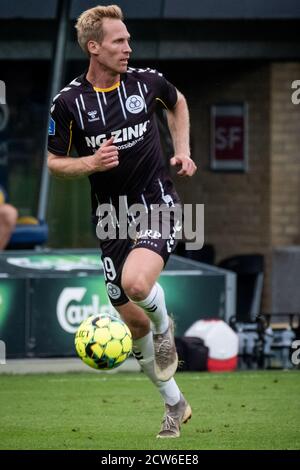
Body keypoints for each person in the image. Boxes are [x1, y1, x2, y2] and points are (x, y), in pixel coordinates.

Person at [47, 4, 197, 438]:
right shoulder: (68, 102)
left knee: (137, 285)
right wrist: (91, 162)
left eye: (128, 40)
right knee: (133, 325)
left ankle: (166, 328)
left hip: (157, 203)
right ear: (94, 47)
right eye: (119, 41)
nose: (128, 48)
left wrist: (182, 150)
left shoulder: (145, 82)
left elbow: (178, 101)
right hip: (111, 219)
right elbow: (55, 163)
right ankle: (175, 403)